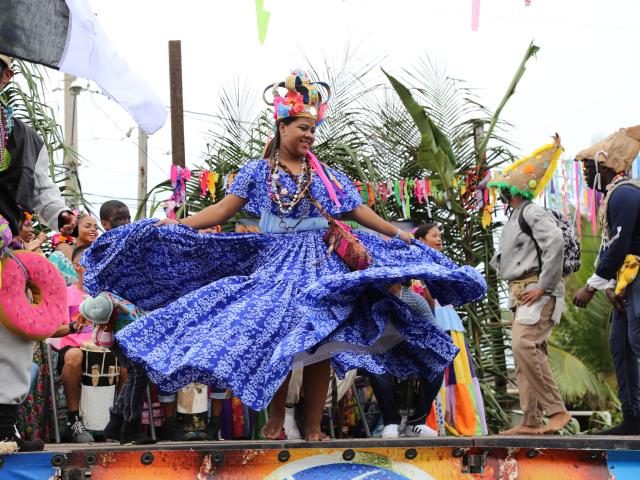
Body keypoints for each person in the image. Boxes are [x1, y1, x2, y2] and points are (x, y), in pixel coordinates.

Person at [81, 70, 486, 441]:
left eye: (313, 129)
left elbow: (356, 210)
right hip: (274, 261)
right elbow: (223, 210)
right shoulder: (258, 173)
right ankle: (275, 422)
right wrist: (179, 225)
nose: (309, 135)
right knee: (277, 336)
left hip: (318, 261)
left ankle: (311, 427)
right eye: (303, 128)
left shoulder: (325, 174)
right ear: (282, 126)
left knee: (321, 339)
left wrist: (398, 233)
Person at [0, 54, 76, 452]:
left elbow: (44, 191)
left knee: (11, 335)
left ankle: (2, 429)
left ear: (7, 76)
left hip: (4, 252)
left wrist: (61, 213)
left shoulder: (26, 136)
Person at [488, 135, 571, 435]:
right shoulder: (515, 216)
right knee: (526, 354)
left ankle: (557, 411)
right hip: (523, 292)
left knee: (524, 345)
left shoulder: (531, 211)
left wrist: (545, 286)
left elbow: (555, 242)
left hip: (537, 289)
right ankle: (531, 419)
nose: (499, 193)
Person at [573, 125, 640, 435]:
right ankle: (633, 418)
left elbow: (618, 247)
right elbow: (613, 248)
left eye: (592, 167)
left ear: (612, 167)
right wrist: (612, 286)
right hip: (627, 281)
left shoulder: (625, 193)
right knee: (620, 344)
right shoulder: (614, 196)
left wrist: (591, 286)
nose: (586, 174)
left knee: (636, 340)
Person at [414, 223, 488, 436]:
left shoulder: (443, 263)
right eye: (434, 236)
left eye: (441, 236)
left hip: (449, 322)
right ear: (420, 240)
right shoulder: (412, 263)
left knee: (457, 376)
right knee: (436, 374)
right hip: (428, 321)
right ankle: (433, 422)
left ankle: (459, 422)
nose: (439, 240)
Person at [369, 283, 442, 439]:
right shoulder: (369, 297)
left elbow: (436, 333)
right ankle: (391, 421)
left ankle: (417, 422)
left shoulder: (415, 300)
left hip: (412, 351)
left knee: (438, 362)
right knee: (375, 366)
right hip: (380, 352)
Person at [83, 293, 156, 445]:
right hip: (120, 329)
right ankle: (130, 428)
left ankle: (116, 424)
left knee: (135, 373)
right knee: (138, 373)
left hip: (123, 327)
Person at [56, 245, 95, 443]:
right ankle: (74, 421)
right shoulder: (65, 294)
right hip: (71, 348)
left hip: (100, 349)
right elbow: (54, 330)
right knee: (75, 356)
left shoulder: (105, 295)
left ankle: (115, 418)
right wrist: (74, 326)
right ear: (77, 266)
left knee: (123, 358)